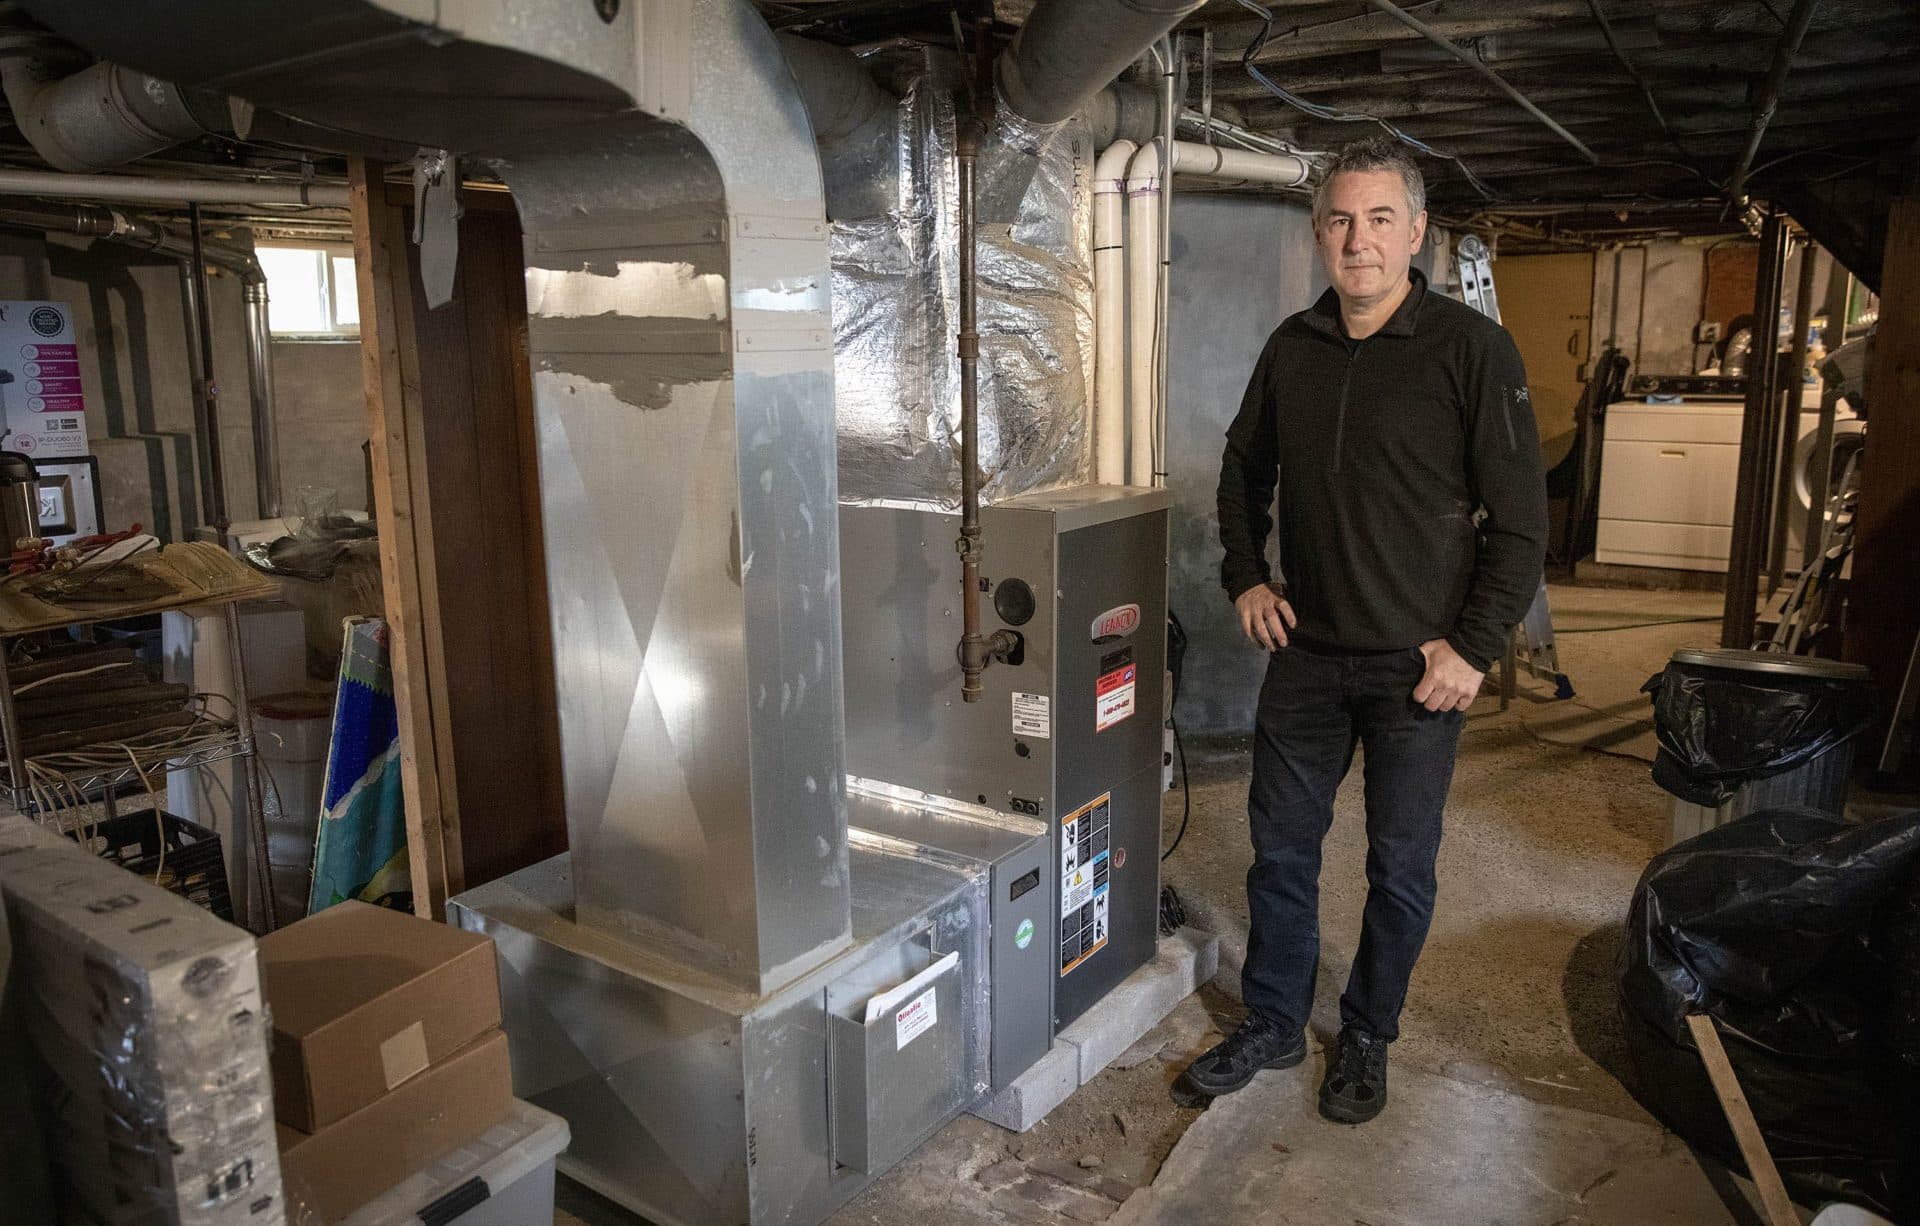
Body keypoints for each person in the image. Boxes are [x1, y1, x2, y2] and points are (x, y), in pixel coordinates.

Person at [1181, 138, 1547, 1124]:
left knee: (1401, 867)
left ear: (1417, 230)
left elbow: (1522, 524)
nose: (1360, 239)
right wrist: (1247, 577)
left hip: (1418, 671)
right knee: (1280, 856)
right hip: (1307, 657)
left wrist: (1472, 648)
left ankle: (1369, 1034)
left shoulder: (1473, 352)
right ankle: (1269, 1020)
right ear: (1319, 232)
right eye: (1341, 219)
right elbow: (1240, 471)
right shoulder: (1293, 348)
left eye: (1381, 219)